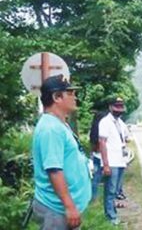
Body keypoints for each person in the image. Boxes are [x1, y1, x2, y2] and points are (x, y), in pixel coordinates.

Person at [31, 74, 91, 229]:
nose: (74, 97)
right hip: (56, 209)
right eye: (70, 93)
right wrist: (69, 206)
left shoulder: (59, 124)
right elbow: (54, 170)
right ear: (57, 97)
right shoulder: (51, 129)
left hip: (61, 207)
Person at [96, 97, 130, 225]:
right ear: (110, 107)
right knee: (110, 191)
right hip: (111, 162)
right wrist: (105, 165)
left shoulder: (120, 122)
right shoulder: (105, 122)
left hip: (120, 161)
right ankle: (110, 217)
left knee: (115, 191)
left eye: (121, 106)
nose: (120, 109)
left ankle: (113, 214)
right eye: (117, 106)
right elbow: (102, 143)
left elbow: (126, 138)